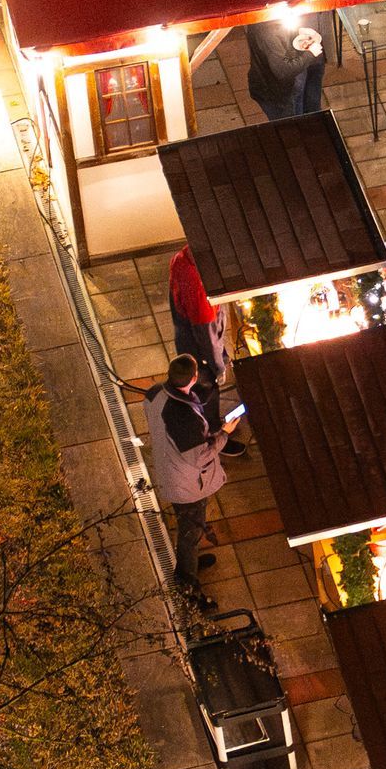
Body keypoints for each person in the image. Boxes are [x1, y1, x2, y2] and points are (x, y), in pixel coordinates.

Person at [144, 355, 229, 602]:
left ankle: (188, 566)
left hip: (169, 470)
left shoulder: (154, 393)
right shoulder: (184, 415)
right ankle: (188, 587)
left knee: (189, 527)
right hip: (186, 484)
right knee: (190, 532)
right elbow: (200, 457)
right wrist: (223, 435)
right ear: (193, 378)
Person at [166, 244, 242, 445]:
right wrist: (219, 367)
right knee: (208, 390)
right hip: (200, 352)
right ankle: (216, 436)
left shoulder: (181, 258)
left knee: (200, 390)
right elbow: (208, 339)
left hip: (184, 337)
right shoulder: (201, 292)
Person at [245, 17, 305, 124]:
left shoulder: (268, 23)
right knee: (288, 128)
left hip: (285, 87)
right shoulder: (269, 34)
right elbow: (283, 71)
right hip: (277, 94)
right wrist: (311, 54)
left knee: (298, 115)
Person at [290, 24, 326, 114]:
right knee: (298, 89)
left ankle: (313, 118)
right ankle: (301, 121)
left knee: (313, 81)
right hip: (293, 50)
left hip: (313, 40)